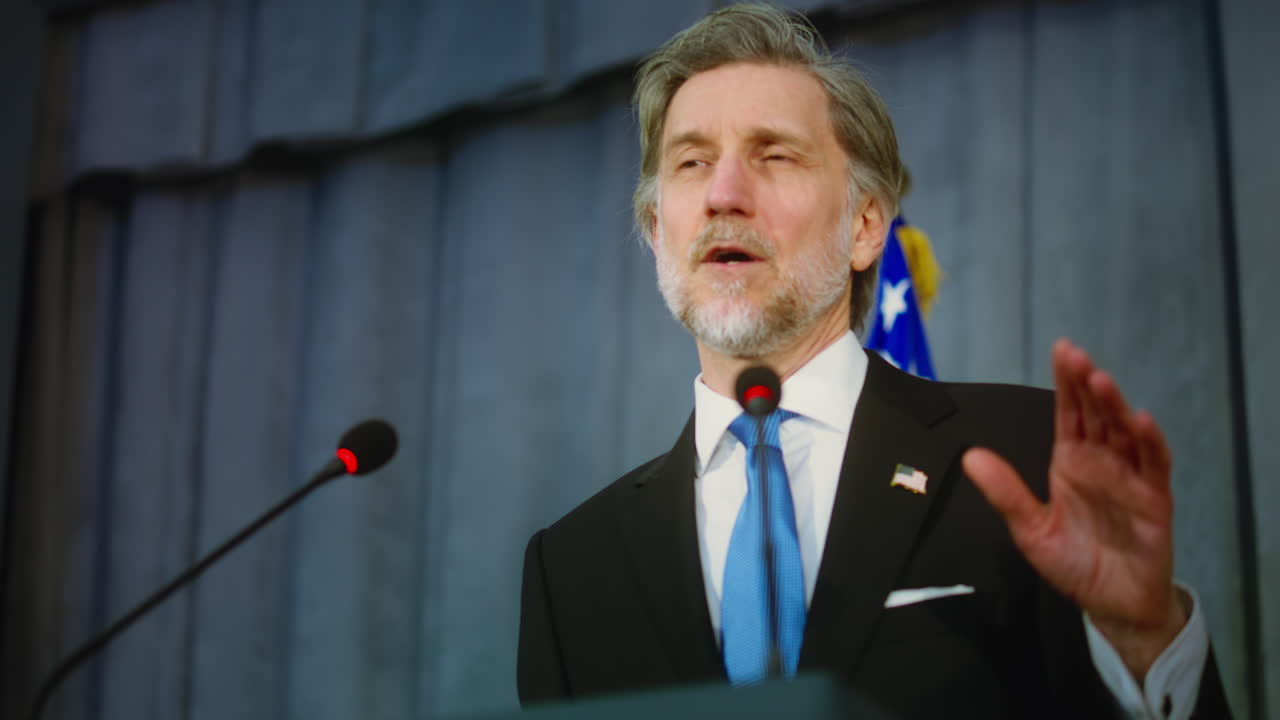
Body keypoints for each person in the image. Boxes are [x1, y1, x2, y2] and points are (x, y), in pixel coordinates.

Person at [516, 5, 1232, 719]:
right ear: (656, 231)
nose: (723, 195)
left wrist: (1144, 640)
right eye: (692, 162)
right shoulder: (572, 565)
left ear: (864, 226)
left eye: (774, 155)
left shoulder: (1026, 458)